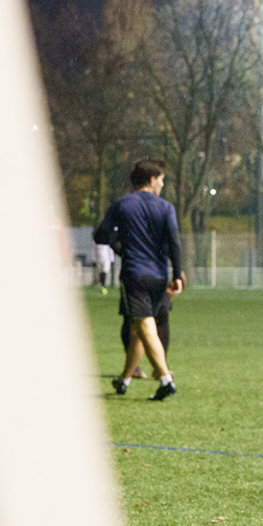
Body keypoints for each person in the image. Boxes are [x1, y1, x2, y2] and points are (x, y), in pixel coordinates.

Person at [94, 158, 185, 399]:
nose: (162, 184)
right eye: (162, 180)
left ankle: (165, 379)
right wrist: (177, 274)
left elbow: (101, 235)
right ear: (152, 179)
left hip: (135, 275)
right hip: (160, 276)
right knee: (139, 328)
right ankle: (124, 379)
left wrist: (122, 248)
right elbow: (174, 242)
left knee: (144, 325)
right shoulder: (166, 207)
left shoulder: (122, 204)